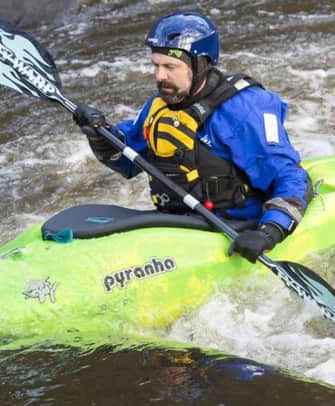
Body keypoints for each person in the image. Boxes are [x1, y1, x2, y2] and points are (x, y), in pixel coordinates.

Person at [73, 11, 311, 263]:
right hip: (179, 223)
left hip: (235, 227)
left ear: (200, 64)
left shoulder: (243, 110)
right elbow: (127, 162)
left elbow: (292, 178)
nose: (159, 76)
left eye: (170, 67)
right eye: (156, 65)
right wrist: (100, 135)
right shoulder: (159, 106)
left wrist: (269, 232)